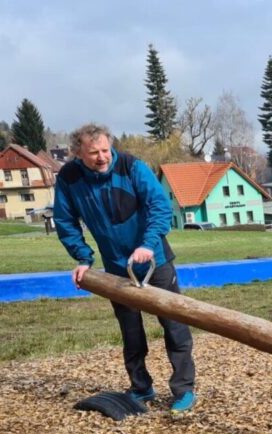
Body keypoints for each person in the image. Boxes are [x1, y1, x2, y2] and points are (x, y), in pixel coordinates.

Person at [53, 123, 197, 414]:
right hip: (117, 268)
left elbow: (159, 206)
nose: (102, 157)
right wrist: (83, 258)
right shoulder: (69, 178)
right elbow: (65, 221)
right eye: (93, 153)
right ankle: (141, 387)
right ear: (78, 153)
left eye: (106, 150)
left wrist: (146, 244)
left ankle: (183, 389)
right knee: (131, 331)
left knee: (174, 325)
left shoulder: (132, 167)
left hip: (154, 260)